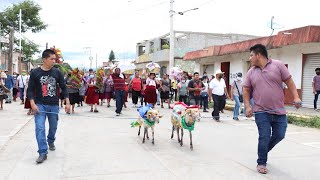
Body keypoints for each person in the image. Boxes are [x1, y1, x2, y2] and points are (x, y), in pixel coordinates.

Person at [243, 44, 301, 174]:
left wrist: (296, 97)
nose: (250, 58)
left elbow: (289, 81)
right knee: (264, 136)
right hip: (261, 111)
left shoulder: (278, 65)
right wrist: (247, 106)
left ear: (258, 55)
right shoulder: (251, 71)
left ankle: (263, 150)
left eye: (251, 55)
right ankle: (261, 162)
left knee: (280, 135)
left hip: (279, 110)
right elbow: (246, 89)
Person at [27, 49, 70, 164]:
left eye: (55, 59)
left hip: (54, 105)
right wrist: (32, 103)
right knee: (40, 128)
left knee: (53, 127)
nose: (54, 61)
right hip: (40, 105)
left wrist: (67, 102)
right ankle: (42, 152)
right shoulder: (35, 73)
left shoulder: (57, 72)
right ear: (44, 60)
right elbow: (30, 90)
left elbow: (64, 88)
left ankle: (50, 140)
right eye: (52, 59)